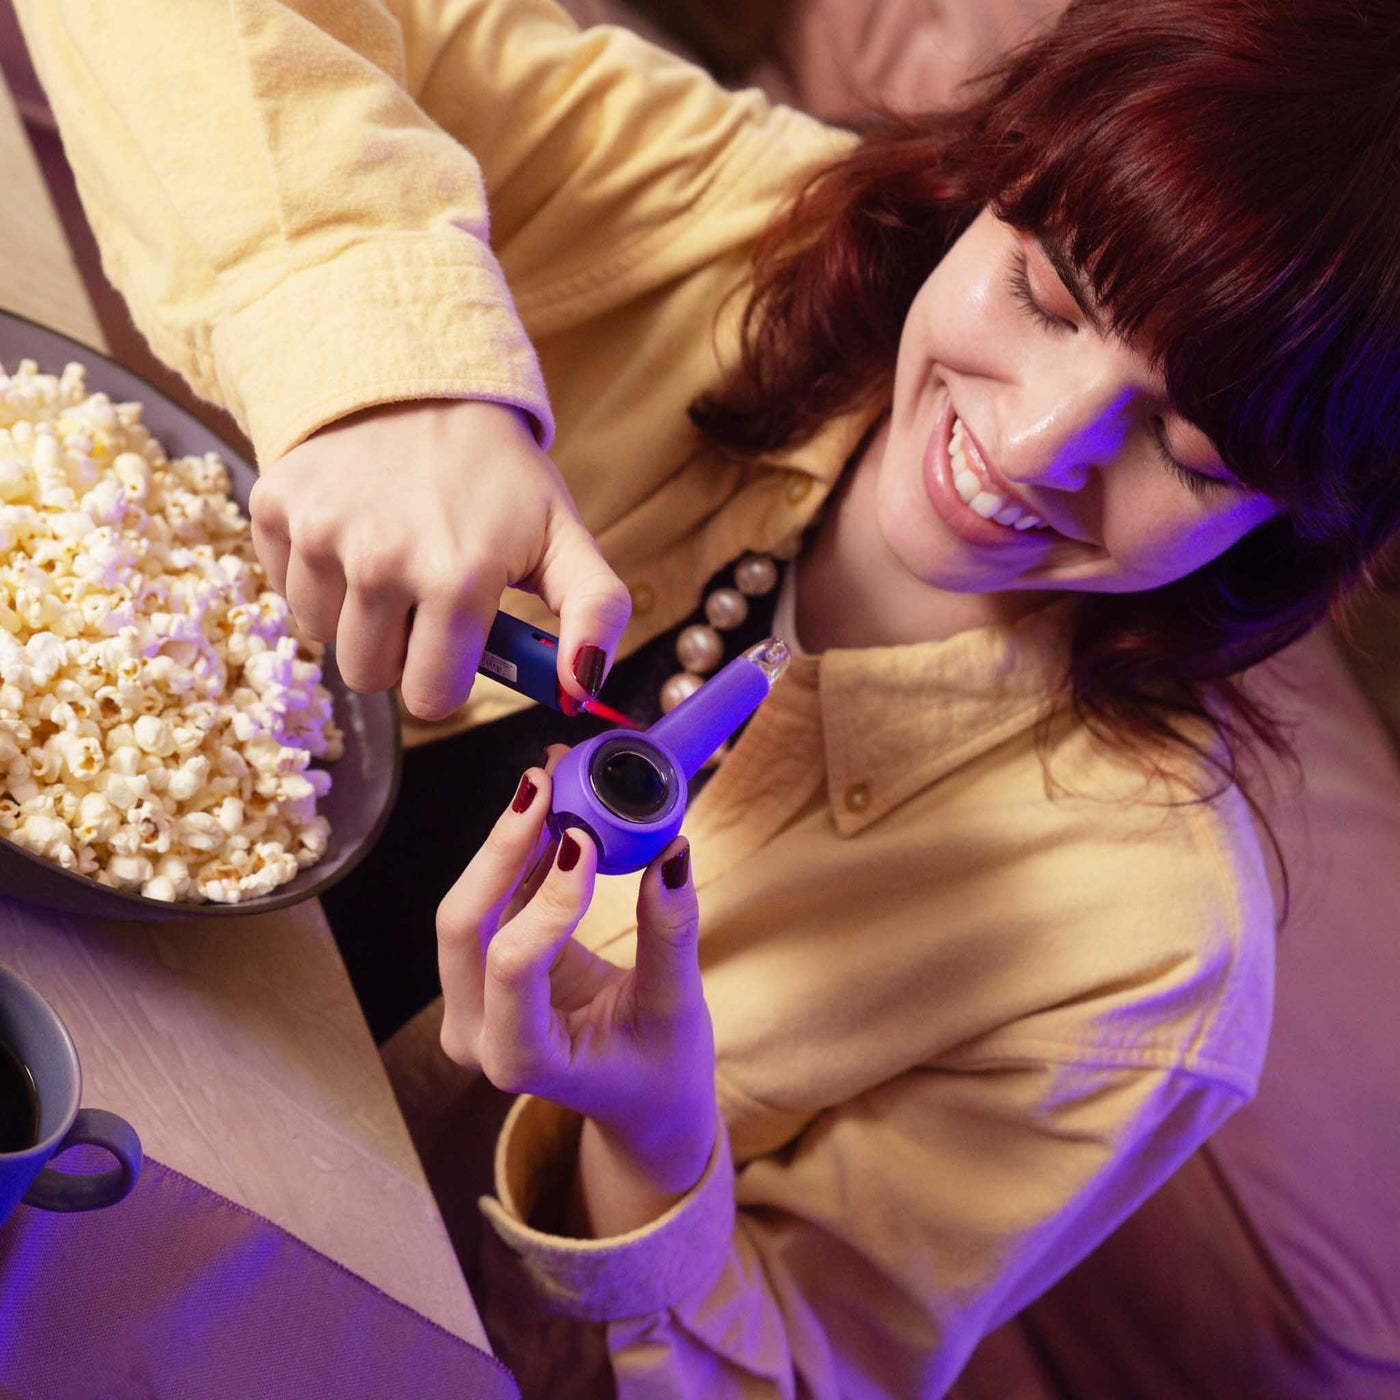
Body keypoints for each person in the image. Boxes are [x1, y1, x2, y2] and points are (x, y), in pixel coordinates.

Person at [11, 0, 1399, 1393]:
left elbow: (786, 1369)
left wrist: (654, 1145)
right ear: (995, 178)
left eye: (1190, 449)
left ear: (1297, 522)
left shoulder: (1151, 961)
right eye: (1044, 292)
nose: (1037, 442)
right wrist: (384, 370)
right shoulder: (727, 208)